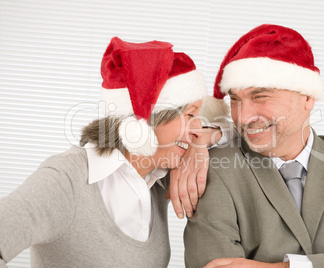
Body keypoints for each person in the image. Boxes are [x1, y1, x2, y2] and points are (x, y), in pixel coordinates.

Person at [184, 24, 324, 268]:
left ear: (307, 97)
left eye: (260, 97)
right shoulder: (215, 170)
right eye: (234, 100)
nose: (243, 117)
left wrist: (285, 267)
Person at [0, 37, 225, 267]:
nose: (197, 128)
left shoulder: (156, 178)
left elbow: (243, 129)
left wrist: (198, 146)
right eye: (189, 115)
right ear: (148, 118)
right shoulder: (65, 179)